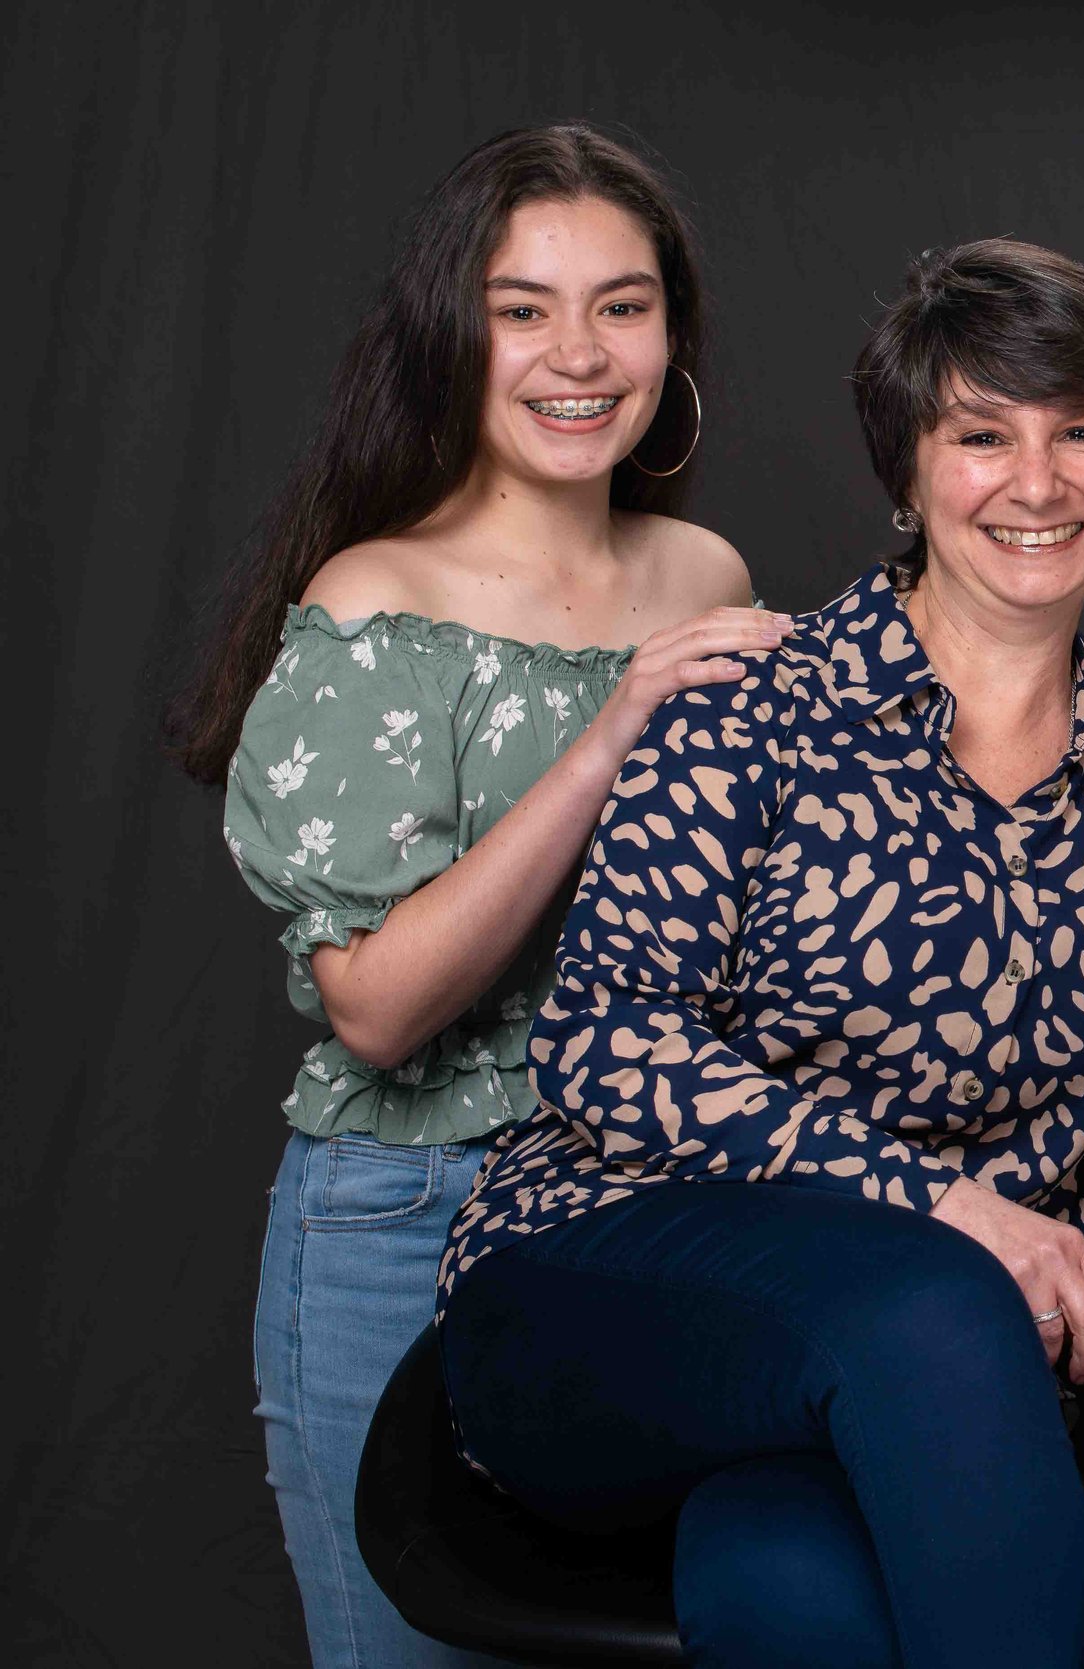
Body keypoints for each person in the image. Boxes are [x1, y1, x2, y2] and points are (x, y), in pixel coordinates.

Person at [434, 237, 1084, 1669]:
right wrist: (946, 1205)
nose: (1038, 482)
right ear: (909, 471)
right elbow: (604, 1035)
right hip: (604, 1298)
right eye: (980, 434)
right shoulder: (754, 704)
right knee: (930, 1301)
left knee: (796, 1589)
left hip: (911, 1400)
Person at [173, 124, 779, 1668]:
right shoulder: (380, 599)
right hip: (408, 1214)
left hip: (647, 1208)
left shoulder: (706, 575)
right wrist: (609, 737)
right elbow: (375, 1007)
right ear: (457, 331)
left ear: (673, 335)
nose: (578, 353)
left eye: (622, 305)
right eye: (524, 307)